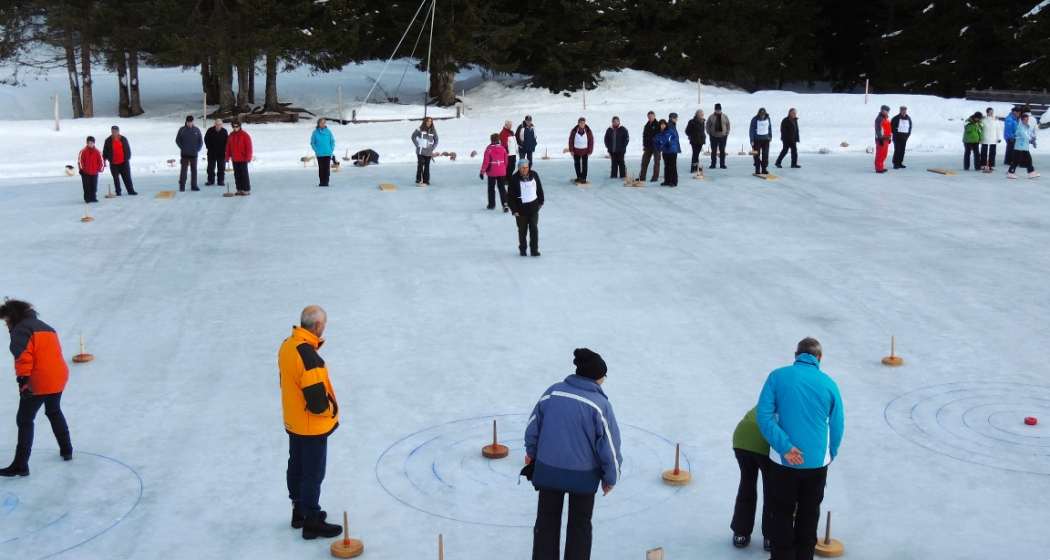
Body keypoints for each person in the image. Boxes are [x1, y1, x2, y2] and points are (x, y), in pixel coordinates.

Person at [524, 348, 621, 560]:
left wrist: (533, 456)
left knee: (546, 523)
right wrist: (610, 478)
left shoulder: (553, 392)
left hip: (548, 471)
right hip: (583, 478)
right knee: (580, 526)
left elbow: (533, 427)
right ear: (598, 378)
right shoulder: (600, 405)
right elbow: (609, 447)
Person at [756, 338, 844, 560]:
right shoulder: (829, 384)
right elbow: (837, 423)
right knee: (809, 514)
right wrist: (831, 453)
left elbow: (764, 416)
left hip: (782, 461)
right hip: (816, 462)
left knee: (782, 513)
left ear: (796, 355)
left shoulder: (777, 376)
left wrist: (785, 447)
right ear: (819, 358)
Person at [279, 305, 343, 540]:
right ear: (317, 326)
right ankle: (312, 522)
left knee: (296, 465)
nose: (324, 328)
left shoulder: (288, 345)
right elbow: (317, 404)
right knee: (312, 473)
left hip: (293, 420)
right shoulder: (310, 357)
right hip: (310, 426)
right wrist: (331, 409)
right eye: (323, 324)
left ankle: (300, 512)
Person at [0, 299, 73, 477]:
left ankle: (20, 465)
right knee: (53, 411)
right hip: (59, 376)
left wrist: (23, 381)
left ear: (13, 315)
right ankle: (67, 450)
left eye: (7, 319)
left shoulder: (21, 329)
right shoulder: (47, 327)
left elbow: (23, 357)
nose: (6, 323)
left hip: (39, 378)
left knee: (24, 420)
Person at [731, 406, 772, 552]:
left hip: (741, 438)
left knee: (747, 482)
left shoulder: (766, 399)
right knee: (772, 489)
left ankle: (741, 531)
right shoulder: (790, 406)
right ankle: (771, 536)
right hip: (763, 442)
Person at [507, 160, 544, 257]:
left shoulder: (534, 175)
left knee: (534, 229)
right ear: (519, 168)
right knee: (522, 230)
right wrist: (514, 210)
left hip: (533, 208)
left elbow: (539, 188)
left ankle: (534, 249)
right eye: (523, 168)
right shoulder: (514, 179)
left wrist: (541, 201)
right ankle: (523, 249)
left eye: (527, 167)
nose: (525, 170)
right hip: (521, 210)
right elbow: (510, 197)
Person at [102, 125, 136, 195]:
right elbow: (105, 151)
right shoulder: (108, 141)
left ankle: (130, 190)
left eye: (116, 131)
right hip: (114, 162)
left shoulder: (123, 139)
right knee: (116, 178)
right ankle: (118, 191)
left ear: (118, 132)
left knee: (127, 177)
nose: (114, 133)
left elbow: (127, 149)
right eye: (113, 132)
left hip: (124, 162)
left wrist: (128, 157)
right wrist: (104, 161)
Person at [480, 132, 509, 211]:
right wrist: (503, 168)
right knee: (502, 187)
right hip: (501, 171)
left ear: (491, 140)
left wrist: (482, 172)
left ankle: (491, 204)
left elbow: (486, 162)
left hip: (492, 171)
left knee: (491, 188)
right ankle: (505, 203)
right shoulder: (503, 148)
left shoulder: (489, 149)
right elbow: (506, 160)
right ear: (498, 139)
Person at [1007, 113, 1039, 180]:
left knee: (1028, 160)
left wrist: (1033, 137)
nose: (1026, 121)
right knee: (1016, 161)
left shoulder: (1027, 126)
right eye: (1025, 119)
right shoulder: (1020, 127)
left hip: (1024, 147)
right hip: (1019, 147)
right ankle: (1010, 172)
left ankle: (1031, 172)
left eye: (1027, 119)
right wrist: (1030, 139)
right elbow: (1024, 135)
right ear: (1022, 120)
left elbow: (1030, 133)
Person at [176, 115, 204, 191]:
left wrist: (197, 149)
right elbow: (177, 140)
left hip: (194, 154)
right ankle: (182, 185)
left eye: (191, 122)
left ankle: (194, 185)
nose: (190, 123)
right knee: (184, 170)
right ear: (186, 122)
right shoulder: (182, 130)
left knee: (194, 170)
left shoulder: (197, 130)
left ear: (193, 122)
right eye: (188, 122)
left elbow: (200, 141)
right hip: (185, 154)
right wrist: (182, 147)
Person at [225, 121, 253, 195]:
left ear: (240, 126)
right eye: (233, 126)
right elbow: (228, 147)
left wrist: (248, 157)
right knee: (237, 174)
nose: (235, 128)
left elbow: (249, 147)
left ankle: (246, 189)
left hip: (243, 158)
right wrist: (227, 157)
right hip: (234, 158)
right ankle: (239, 188)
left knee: (244, 174)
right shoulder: (231, 135)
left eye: (236, 126)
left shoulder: (244, 135)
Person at [411, 117, 439, 186]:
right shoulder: (419, 129)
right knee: (420, 164)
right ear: (425, 122)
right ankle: (419, 179)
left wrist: (432, 148)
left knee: (427, 166)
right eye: (428, 121)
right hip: (420, 151)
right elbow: (413, 137)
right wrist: (417, 145)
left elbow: (436, 140)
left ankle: (426, 180)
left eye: (430, 121)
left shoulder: (433, 131)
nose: (429, 123)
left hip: (428, 152)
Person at [653, 118, 680, 187]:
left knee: (673, 166)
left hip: (672, 151)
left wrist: (671, 143)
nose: (662, 126)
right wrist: (659, 148)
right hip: (665, 151)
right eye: (661, 125)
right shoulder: (659, 134)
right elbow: (655, 142)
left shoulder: (670, 131)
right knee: (667, 166)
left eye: (663, 124)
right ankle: (667, 181)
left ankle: (674, 181)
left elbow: (676, 137)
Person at [77, 136, 104, 203]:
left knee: (94, 185)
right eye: (89, 143)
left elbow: (101, 161)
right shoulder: (83, 151)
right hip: (86, 172)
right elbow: (80, 161)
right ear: (87, 143)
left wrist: (101, 168)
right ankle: (87, 198)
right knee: (86, 186)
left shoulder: (98, 152)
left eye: (91, 143)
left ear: (94, 143)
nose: (90, 144)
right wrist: (81, 169)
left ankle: (93, 197)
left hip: (94, 172)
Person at [311, 118, 335, 187]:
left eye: (324, 122)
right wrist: (316, 149)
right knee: (321, 168)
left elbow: (332, 141)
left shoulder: (328, 132)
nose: (323, 124)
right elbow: (313, 142)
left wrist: (331, 149)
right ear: (318, 123)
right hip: (320, 154)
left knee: (327, 169)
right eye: (321, 122)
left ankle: (326, 182)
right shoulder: (315, 132)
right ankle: (322, 182)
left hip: (327, 153)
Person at [569, 117, 594, 184]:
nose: (582, 124)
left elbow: (591, 141)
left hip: (585, 150)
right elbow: (571, 140)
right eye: (581, 123)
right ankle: (579, 176)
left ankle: (584, 178)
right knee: (577, 164)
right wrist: (571, 150)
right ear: (578, 123)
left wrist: (590, 151)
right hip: (576, 150)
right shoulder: (574, 131)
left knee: (584, 164)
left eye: (583, 123)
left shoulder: (588, 131)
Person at [639, 111, 661, 182]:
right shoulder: (647, 125)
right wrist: (644, 144)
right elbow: (644, 136)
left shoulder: (658, 124)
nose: (651, 117)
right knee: (644, 161)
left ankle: (655, 177)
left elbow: (661, 135)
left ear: (654, 116)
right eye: (649, 116)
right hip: (648, 146)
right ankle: (642, 176)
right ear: (648, 117)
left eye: (652, 116)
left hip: (656, 146)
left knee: (656, 162)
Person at [204, 119, 228, 186]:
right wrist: (209, 147)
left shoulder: (224, 131)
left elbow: (227, 141)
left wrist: (224, 149)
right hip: (211, 152)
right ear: (215, 124)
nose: (218, 126)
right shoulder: (210, 130)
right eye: (217, 124)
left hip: (221, 152)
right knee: (210, 167)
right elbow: (206, 139)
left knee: (221, 167)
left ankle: (221, 181)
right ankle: (210, 180)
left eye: (220, 124)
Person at [749, 107, 773, 175]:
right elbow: (751, 130)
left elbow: (769, 127)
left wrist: (770, 136)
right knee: (756, 155)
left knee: (765, 154)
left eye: (763, 114)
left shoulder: (768, 118)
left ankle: (764, 168)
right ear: (759, 114)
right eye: (761, 114)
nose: (762, 115)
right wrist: (752, 140)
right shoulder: (754, 119)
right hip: (757, 140)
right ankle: (757, 168)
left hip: (766, 139)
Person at [706, 103, 730, 169]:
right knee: (713, 150)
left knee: (722, 150)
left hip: (723, 136)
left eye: (719, 109)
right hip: (714, 136)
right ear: (715, 110)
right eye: (717, 110)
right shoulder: (711, 117)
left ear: (721, 109)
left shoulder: (725, 116)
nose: (718, 111)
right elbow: (708, 125)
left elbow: (728, 124)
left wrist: (727, 132)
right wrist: (709, 133)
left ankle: (722, 164)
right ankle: (713, 164)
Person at [684, 109, 707, 174]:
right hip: (694, 140)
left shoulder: (703, 121)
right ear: (697, 114)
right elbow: (687, 131)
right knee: (695, 153)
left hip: (701, 140)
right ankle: (693, 167)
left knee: (697, 154)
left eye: (702, 114)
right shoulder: (692, 122)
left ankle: (696, 166)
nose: (702, 115)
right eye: (700, 114)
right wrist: (692, 135)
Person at [874, 105, 892, 173]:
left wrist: (889, 137)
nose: (887, 112)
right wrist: (880, 138)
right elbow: (878, 129)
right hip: (881, 139)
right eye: (886, 111)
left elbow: (888, 128)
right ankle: (878, 168)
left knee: (884, 154)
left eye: (888, 111)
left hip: (886, 139)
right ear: (883, 110)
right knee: (880, 154)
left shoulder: (886, 118)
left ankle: (881, 166)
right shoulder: (879, 119)